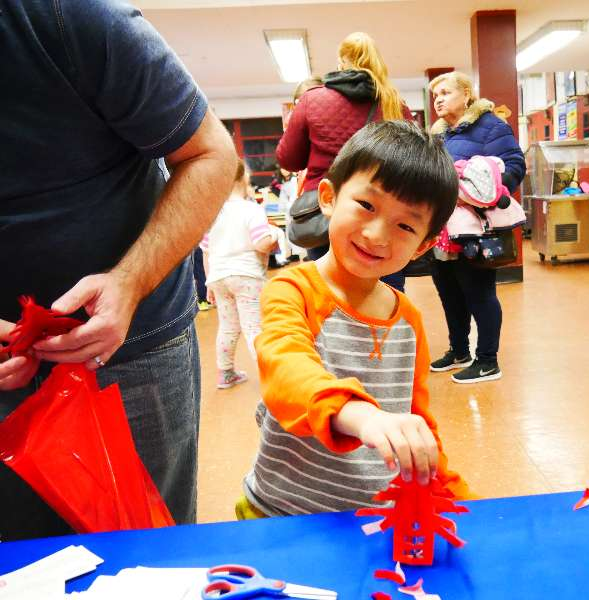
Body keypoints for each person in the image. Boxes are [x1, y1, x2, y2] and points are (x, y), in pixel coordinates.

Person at [0, 0, 237, 540]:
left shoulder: (69, 17)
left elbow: (211, 155)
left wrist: (128, 282)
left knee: (143, 552)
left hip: (126, 350)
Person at [237, 121, 470, 519]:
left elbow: (417, 420)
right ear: (328, 196)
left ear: (424, 246)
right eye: (367, 205)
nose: (378, 235)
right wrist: (362, 416)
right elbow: (286, 369)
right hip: (281, 513)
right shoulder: (292, 290)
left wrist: (452, 495)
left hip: (371, 519)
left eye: (406, 225)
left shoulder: (407, 319)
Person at [276, 31, 413, 291]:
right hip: (384, 210)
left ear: (341, 62)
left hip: (329, 210)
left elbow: (288, 159)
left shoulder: (312, 100)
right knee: (388, 290)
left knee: (332, 292)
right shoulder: (395, 104)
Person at [427, 71, 526, 384]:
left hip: (476, 227)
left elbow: (514, 164)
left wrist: (493, 194)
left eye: (445, 92)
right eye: (435, 96)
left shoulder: (491, 125)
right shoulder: (439, 134)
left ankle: (487, 360)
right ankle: (459, 350)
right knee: (449, 291)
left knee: (479, 292)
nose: (438, 100)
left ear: (466, 94)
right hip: (442, 229)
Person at [201, 160, 278, 389]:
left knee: (228, 326)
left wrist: (208, 284)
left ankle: (225, 372)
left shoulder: (212, 213)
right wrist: (274, 235)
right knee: (254, 328)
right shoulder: (250, 209)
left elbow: (206, 252)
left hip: (219, 277)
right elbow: (261, 244)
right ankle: (271, 377)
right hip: (246, 276)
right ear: (244, 178)